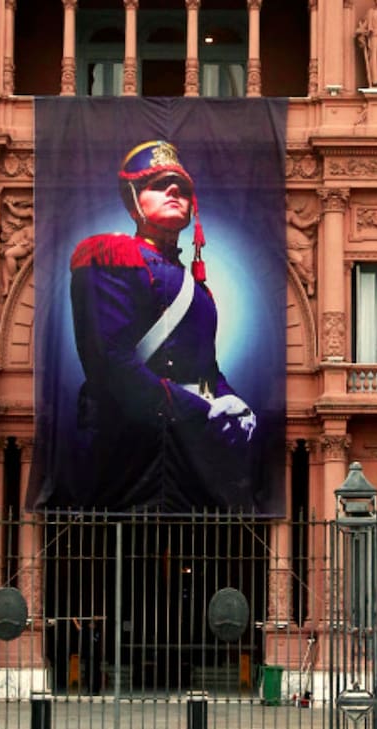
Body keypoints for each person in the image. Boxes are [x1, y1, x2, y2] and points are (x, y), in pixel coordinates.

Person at [66, 140, 257, 511]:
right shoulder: (112, 255)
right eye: (157, 184)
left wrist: (233, 403)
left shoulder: (197, 288)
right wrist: (202, 411)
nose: (173, 191)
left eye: (181, 188)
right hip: (129, 443)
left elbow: (206, 368)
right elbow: (111, 363)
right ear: (133, 200)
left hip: (192, 446)